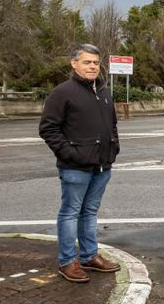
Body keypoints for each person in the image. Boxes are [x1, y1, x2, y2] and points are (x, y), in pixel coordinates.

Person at [39, 44, 121, 283]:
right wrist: (70, 153)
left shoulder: (104, 91)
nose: (93, 66)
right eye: (87, 62)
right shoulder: (63, 92)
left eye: (96, 62)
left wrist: (113, 147)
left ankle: (89, 256)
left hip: (102, 165)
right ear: (74, 64)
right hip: (75, 167)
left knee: (90, 212)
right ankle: (67, 262)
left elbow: (112, 125)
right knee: (70, 213)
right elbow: (48, 128)